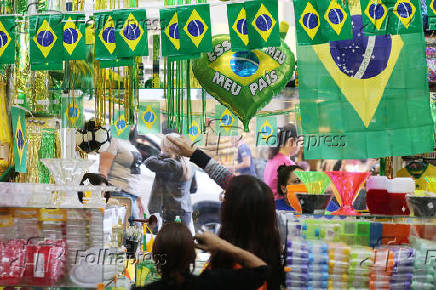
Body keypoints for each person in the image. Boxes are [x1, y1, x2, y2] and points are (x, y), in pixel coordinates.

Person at [167, 135, 284, 290]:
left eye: (226, 197)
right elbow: (227, 179)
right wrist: (195, 154)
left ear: (236, 213)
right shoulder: (270, 249)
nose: (222, 199)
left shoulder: (235, 273)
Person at [134, 223, 270, 290]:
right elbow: (262, 271)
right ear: (194, 256)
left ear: (155, 258)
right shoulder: (212, 283)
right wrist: (221, 245)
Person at [145, 134, 196, 232]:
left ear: (166, 147)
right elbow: (194, 189)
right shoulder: (190, 165)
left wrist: (162, 155)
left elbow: (148, 162)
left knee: (168, 245)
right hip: (186, 212)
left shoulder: (170, 165)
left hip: (171, 213)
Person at [99, 127, 145, 224]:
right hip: (118, 191)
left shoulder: (129, 143)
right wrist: (102, 188)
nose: (131, 125)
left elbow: (135, 172)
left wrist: (139, 199)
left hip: (131, 194)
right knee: (134, 233)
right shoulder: (114, 141)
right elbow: (103, 167)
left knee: (131, 234)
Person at [264, 124, 300, 200]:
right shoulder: (287, 164)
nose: (298, 147)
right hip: (282, 207)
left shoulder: (271, 159)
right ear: (291, 141)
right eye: (297, 142)